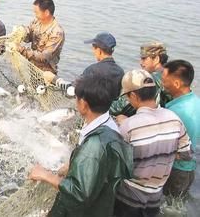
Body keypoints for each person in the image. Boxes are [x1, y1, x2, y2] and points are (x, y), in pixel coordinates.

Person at [28, 73, 133, 217]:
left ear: (83, 104)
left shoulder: (95, 145)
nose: (75, 104)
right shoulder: (111, 128)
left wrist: (45, 175)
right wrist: (73, 165)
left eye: (77, 100)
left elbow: (79, 193)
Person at [114, 69, 192, 217]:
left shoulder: (129, 126)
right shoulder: (174, 118)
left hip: (128, 199)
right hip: (155, 198)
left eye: (128, 97)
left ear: (134, 95)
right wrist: (161, 154)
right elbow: (186, 154)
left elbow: (116, 165)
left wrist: (123, 123)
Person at [45, 32, 124, 99]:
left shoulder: (93, 70)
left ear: (99, 50)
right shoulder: (120, 72)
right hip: (108, 111)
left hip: (94, 110)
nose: (93, 52)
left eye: (94, 48)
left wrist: (55, 79)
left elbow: (72, 90)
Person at [162, 60, 200, 197]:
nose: (162, 84)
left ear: (177, 84)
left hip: (175, 170)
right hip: (189, 170)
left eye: (164, 80)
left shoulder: (175, 112)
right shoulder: (196, 102)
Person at [14, 0, 65, 74]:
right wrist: (21, 32)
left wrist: (21, 50)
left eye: (36, 12)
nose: (35, 15)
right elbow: (28, 37)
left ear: (47, 13)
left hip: (46, 73)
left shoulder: (57, 32)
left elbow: (44, 57)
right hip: (32, 67)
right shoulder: (36, 22)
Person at [139, 41, 173, 106]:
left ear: (156, 59)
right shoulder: (173, 73)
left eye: (144, 58)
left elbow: (122, 106)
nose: (140, 62)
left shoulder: (151, 79)